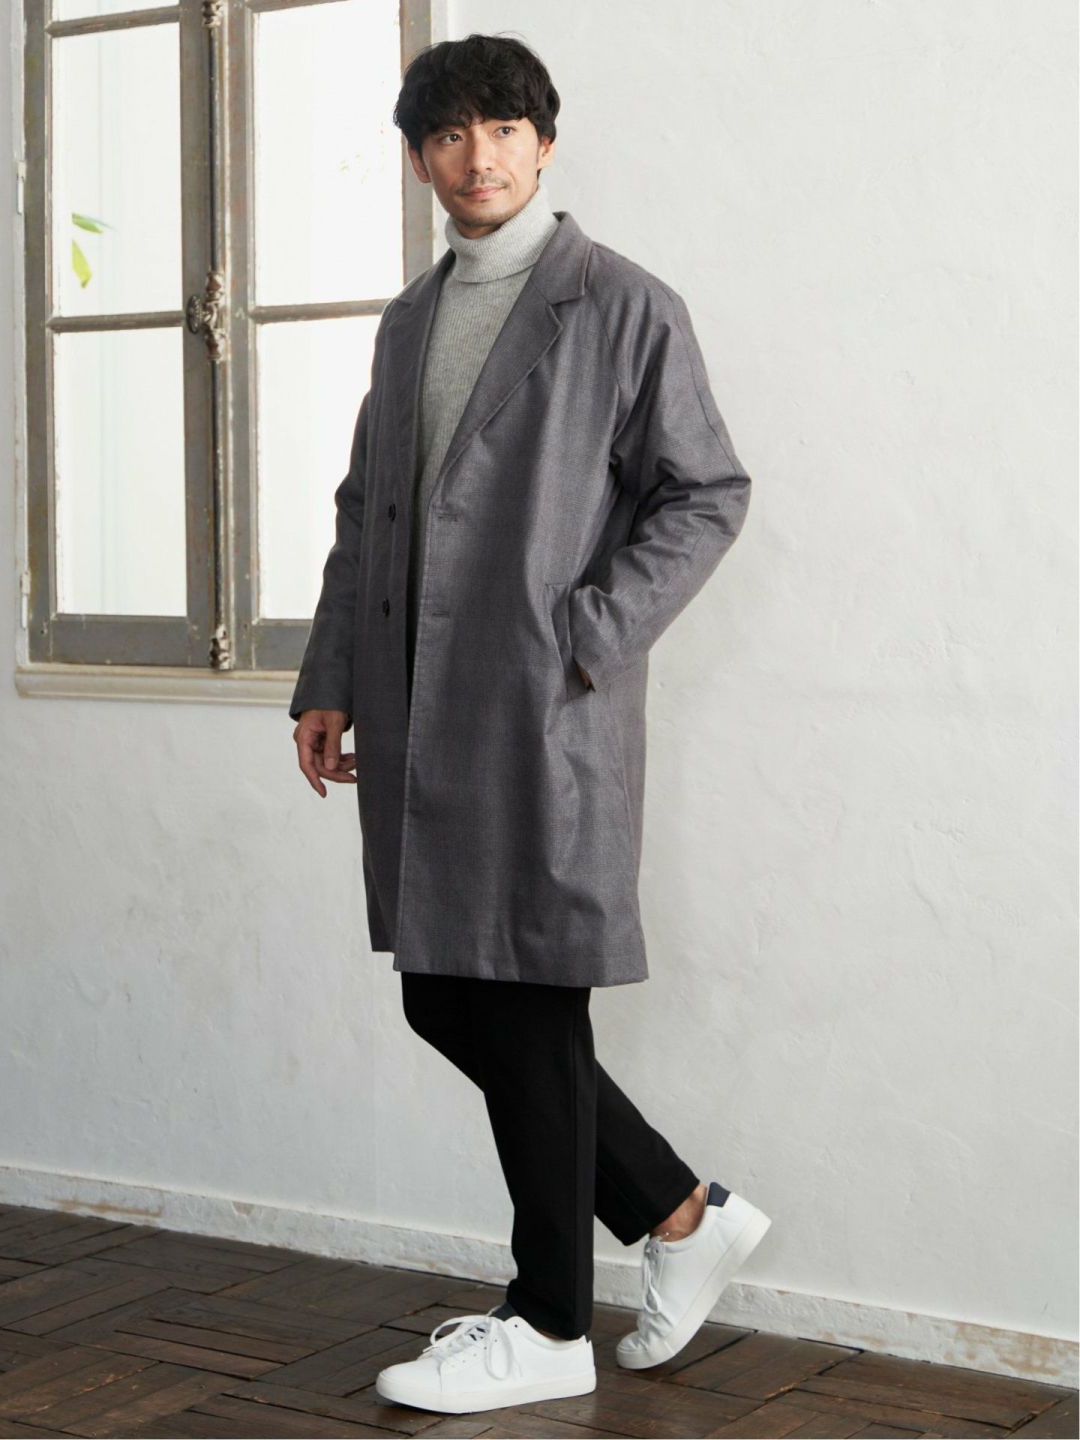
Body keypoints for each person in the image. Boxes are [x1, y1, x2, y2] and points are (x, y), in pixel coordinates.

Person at [289, 32, 770, 1416]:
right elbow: (366, 510)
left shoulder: (622, 305)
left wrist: (589, 635)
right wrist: (330, 674)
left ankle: (551, 1321)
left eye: (504, 128)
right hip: (416, 705)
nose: (478, 155)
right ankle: (680, 1216)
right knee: (448, 987)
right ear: (420, 159)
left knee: (529, 994)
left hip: (540, 710)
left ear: (545, 144)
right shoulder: (408, 320)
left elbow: (707, 491)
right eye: (449, 134)